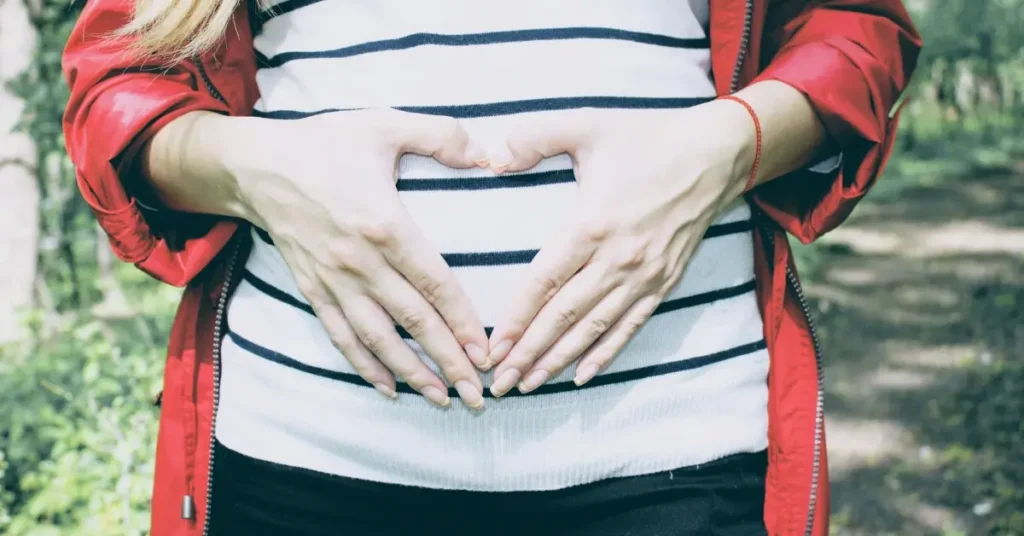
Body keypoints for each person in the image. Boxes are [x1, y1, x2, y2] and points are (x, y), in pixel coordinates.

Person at [62, 1, 920, 534]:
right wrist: (251, 166)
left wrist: (731, 143)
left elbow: (857, 30)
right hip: (299, 460)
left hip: (676, 456)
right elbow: (116, 90)